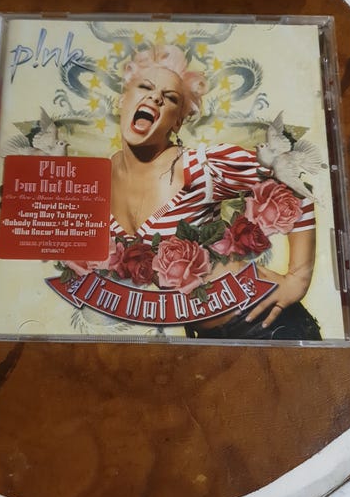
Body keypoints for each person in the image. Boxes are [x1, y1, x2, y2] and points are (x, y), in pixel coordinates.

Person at [109, 45, 321, 340]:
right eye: (145, 87)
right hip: (206, 338)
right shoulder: (95, 183)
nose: (155, 97)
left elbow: (292, 183)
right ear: (122, 100)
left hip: (264, 323)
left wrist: (298, 277)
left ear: (177, 121)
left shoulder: (200, 167)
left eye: (170, 98)